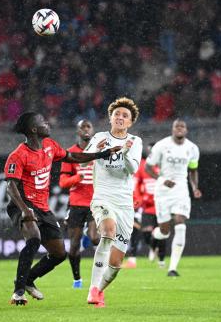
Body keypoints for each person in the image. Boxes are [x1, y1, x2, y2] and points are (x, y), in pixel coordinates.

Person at [4, 112, 120, 306]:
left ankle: (29, 279)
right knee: (34, 239)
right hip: (23, 205)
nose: (47, 123)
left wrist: (101, 154)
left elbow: (73, 156)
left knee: (59, 254)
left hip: (43, 207)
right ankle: (19, 291)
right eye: (42, 122)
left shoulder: (50, 146)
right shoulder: (18, 155)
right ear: (34, 129)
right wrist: (25, 210)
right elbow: (10, 186)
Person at [85, 97, 142, 308]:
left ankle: (99, 290)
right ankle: (92, 289)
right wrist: (97, 151)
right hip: (103, 197)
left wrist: (125, 153)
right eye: (117, 114)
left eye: (125, 116)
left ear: (130, 122)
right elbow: (83, 157)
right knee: (107, 231)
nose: (120, 117)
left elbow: (132, 169)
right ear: (110, 118)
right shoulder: (100, 137)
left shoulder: (135, 142)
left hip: (125, 204)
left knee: (116, 262)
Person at [146, 119, 201, 277]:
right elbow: (147, 168)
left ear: (186, 130)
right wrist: (162, 180)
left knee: (180, 221)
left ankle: (172, 268)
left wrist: (195, 187)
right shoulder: (161, 146)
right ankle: (153, 237)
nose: (179, 128)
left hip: (181, 190)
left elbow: (193, 169)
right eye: (176, 126)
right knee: (164, 232)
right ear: (172, 129)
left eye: (182, 126)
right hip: (162, 191)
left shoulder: (192, 148)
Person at [59, 119, 99, 289]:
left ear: (93, 130)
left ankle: (99, 276)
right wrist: (77, 178)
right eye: (82, 127)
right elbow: (63, 183)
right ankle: (77, 279)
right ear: (78, 131)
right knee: (74, 246)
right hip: (76, 204)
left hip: (95, 203)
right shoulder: (70, 154)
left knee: (96, 237)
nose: (85, 129)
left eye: (88, 126)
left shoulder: (99, 152)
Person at [125, 143, 159, 268]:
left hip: (157, 205)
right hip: (141, 204)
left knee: (152, 233)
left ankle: (153, 247)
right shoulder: (141, 165)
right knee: (136, 230)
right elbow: (135, 185)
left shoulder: (161, 164)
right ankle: (132, 259)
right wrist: (137, 201)